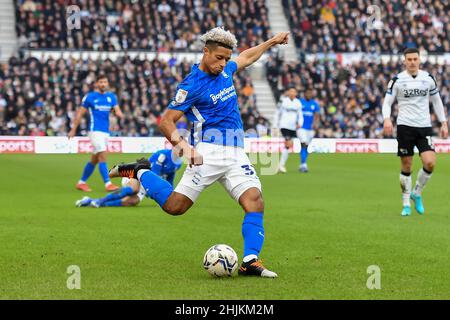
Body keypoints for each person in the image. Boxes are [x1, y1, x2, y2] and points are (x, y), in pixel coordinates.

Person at [109, 27, 290, 278]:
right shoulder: (191, 85)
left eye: (227, 58)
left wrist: (271, 41)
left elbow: (246, 57)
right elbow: (166, 122)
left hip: (236, 152)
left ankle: (250, 261)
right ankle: (140, 171)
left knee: (255, 201)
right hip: (208, 153)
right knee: (175, 207)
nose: (223, 63)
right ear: (206, 52)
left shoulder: (226, 69)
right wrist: (184, 148)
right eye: (219, 58)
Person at [382, 47, 448, 216]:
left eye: (414, 59)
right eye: (409, 59)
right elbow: (387, 102)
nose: (412, 62)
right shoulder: (397, 80)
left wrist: (444, 123)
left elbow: (437, 101)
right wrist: (387, 119)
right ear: (404, 61)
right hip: (405, 127)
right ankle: (405, 204)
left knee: (430, 163)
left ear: (419, 60)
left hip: (424, 126)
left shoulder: (428, 78)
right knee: (407, 165)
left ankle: (416, 193)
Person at [69, 74, 125, 192]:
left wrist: (120, 115)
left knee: (94, 159)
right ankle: (108, 183)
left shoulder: (111, 97)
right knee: (103, 154)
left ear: (107, 84)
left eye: (105, 82)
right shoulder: (90, 97)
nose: (103, 84)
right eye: (101, 82)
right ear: (96, 84)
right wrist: (73, 129)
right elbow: (80, 113)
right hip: (94, 130)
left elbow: (117, 111)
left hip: (105, 132)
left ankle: (81, 182)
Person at [75, 149, 183, 208]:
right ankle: (100, 200)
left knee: (132, 202)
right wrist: (154, 190)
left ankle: (92, 202)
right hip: (138, 174)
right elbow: (153, 173)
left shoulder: (178, 163)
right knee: (134, 189)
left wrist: (169, 195)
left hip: (147, 184)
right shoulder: (162, 155)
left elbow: (170, 177)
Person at [274, 87, 303, 173]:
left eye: (294, 91)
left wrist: (300, 123)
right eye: (290, 91)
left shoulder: (298, 103)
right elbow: (277, 113)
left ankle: (281, 165)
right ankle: (281, 165)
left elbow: (300, 114)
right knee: (288, 142)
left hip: (293, 127)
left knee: (289, 145)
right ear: (288, 92)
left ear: (296, 93)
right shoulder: (283, 101)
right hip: (284, 126)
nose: (292, 93)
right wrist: (275, 125)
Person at [298, 88, 320, 172]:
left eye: (310, 93)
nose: (309, 95)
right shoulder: (300, 102)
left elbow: (317, 115)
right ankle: (304, 164)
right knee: (303, 144)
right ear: (304, 94)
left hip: (311, 128)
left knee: (306, 146)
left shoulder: (314, 104)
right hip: (301, 128)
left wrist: (315, 124)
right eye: (307, 93)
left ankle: (302, 163)